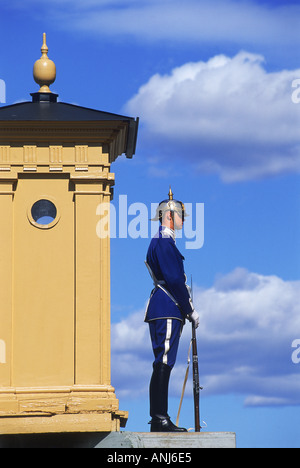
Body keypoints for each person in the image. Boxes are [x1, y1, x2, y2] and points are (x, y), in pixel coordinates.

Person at [145, 188, 200, 432]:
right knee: (164, 362)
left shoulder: (163, 242)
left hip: (166, 306)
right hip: (168, 306)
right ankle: (160, 418)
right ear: (170, 215)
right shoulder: (164, 242)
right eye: (181, 216)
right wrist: (190, 309)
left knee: (164, 362)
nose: (183, 221)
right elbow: (175, 280)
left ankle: (159, 417)